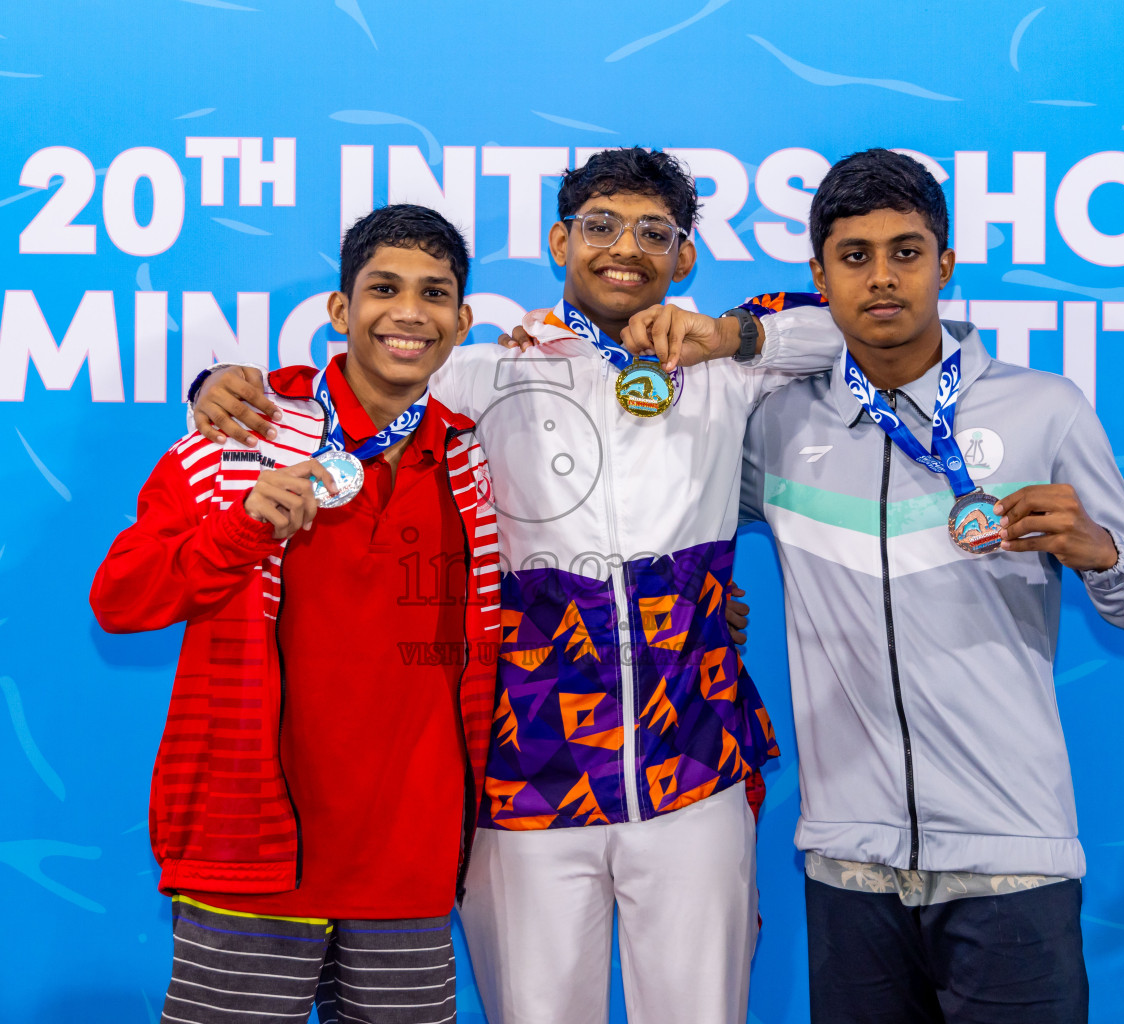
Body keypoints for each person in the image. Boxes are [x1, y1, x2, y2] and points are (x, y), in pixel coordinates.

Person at [187, 147, 845, 1024]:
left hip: (692, 764)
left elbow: (855, 322)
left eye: (656, 233)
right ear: (559, 241)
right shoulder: (479, 370)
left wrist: (726, 333)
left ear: (684, 258)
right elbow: (351, 384)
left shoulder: (726, 372)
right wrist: (214, 387)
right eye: (601, 226)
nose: (626, 248)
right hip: (523, 775)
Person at [628, 148, 1124, 1023]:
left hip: (1013, 860)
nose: (882, 279)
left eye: (907, 253)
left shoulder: (1045, 408)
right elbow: (667, 520)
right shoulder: (778, 424)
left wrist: (1098, 551)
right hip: (849, 868)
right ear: (819, 274)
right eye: (855, 256)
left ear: (946, 264)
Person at [90, 204, 501, 1024]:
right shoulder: (235, 441)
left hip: (409, 865)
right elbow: (120, 599)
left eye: (435, 293)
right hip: (252, 851)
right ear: (341, 312)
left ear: (461, 323)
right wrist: (239, 528)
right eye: (384, 288)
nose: (409, 312)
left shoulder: (479, 455)